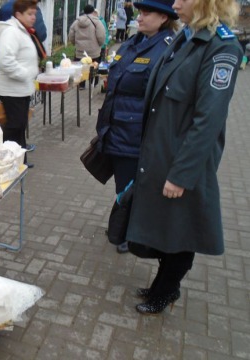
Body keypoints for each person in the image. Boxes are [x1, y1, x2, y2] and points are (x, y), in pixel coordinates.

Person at [126, 0, 243, 315]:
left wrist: (182, 174)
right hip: (162, 151)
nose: (175, 2)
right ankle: (162, 284)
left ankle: (166, 291)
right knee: (165, 224)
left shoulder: (222, 47)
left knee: (181, 228)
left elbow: (209, 119)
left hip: (183, 158)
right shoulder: (187, 35)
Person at [96, 0, 179, 254]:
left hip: (135, 134)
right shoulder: (133, 42)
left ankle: (126, 234)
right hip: (115, 128)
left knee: (131, 186)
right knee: (123, 184)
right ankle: (122, 225)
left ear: (164, 18)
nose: (139, 17)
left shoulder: (167, 49)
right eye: (140, 11)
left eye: (147, 13)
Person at [0, 0, 40, 167]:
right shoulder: (11, 32)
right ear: (18, 14)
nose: (34, 17)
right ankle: (5, 161)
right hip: (12, 90)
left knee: (19, 126)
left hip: (21, 89)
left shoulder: (22, 31)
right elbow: (5, 61)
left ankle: (20, 162)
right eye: (30, 14)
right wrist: (26, 74)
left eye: (35, 13)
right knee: (14, 127)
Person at [68, 4, 106, 89]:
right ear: (93, 11)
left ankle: (81, 84)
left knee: (81, 67)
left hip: (80, 51)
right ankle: (94, 82)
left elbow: (71, 35)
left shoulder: (76, 22)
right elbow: (101, 36)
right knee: (94, 66)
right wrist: (99, 44)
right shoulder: (97, 22)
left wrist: (75, 44)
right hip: (94, 50)